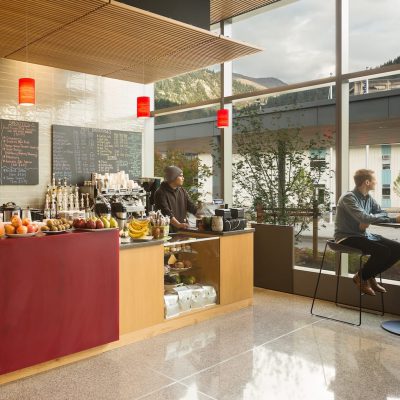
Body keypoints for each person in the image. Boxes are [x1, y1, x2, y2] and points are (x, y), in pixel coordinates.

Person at [334, 169, 400, 295]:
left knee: (397, 249)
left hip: (363, 235)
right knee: (383, 251)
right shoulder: (348, 198)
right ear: (367, 182)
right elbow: (364, 218)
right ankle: (362, 277)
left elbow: (380, 212)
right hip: (347, 237)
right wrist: (393, 219)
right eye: (375, 180)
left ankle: (368, 275)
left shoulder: (368, 198)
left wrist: (367, 218)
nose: (376, 182)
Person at [154, 166, 198, 232]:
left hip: (182, 230)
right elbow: (166, 212)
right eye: (180, 176)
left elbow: (192, 207)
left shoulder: (182, 191)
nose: (183, 178)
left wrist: (203, 215)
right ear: (173, 177)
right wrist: (178, 225)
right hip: (167, 233)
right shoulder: (160, 192)